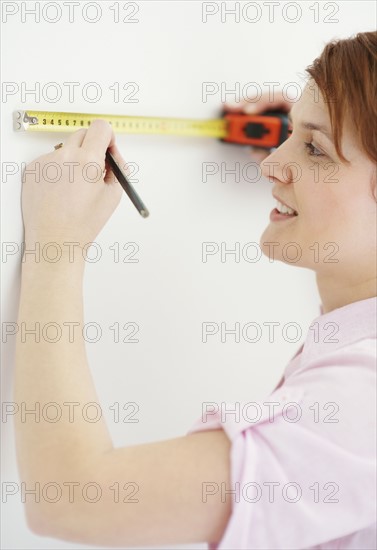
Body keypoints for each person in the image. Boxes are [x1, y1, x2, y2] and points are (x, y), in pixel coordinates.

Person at [14, 31, 376, 549]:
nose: (273, 162)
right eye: (288, 132)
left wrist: (57, 248)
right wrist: (315, 151)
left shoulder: (362, 403)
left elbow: (73, 500)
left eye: (314, 148)